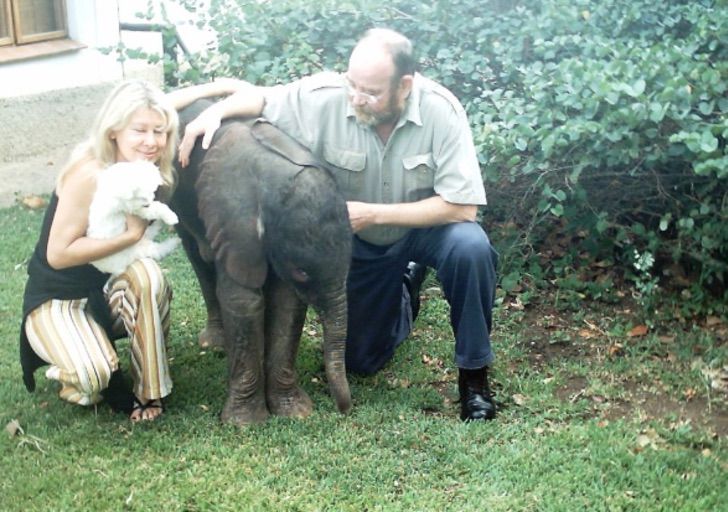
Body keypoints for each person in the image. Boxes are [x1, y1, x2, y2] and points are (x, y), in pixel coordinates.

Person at [178, 28, 499, 421]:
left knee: (472, 247)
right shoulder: (325, 97)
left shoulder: (441, 111)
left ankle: (474, 378)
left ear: (405, 85)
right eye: (353, 85)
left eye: (371, 92)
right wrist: (211, 112)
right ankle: (404, 290)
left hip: (426, 228)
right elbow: (259, 97)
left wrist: (375, 213)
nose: (357, 98)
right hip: (360, 242)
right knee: (362, 359)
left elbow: (462, 208)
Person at [19, 79, 212, 422]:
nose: (151, 142)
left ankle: (150, 392)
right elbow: (58, 254)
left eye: (160, 131)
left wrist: (221, 88)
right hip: (58, 300)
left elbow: (158, 107)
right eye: (140, 130)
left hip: (108, 291)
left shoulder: (146, 168)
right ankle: (69, 372)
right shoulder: (90, 171)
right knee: (94, 378)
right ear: (114, 130)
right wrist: (130, 236)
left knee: (149, 275)